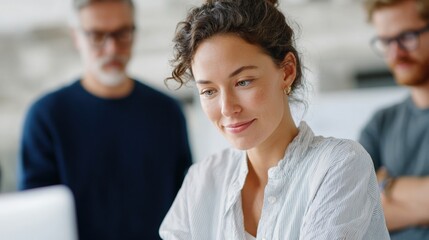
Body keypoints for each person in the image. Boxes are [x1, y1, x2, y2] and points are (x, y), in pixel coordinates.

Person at [159, 0, 390, 239]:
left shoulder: (339, 165)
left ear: (287, 71)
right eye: (209, 91)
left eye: (243, 82)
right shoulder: (201, 181)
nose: (227, 108)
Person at [18, 0, 192, 239]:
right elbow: (35, 218)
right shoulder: (46, 117)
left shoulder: (167, 112)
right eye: (97, 36)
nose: (112, 48)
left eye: (122, 34)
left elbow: (185, 206)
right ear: (76, 37)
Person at [359, 0, 429, 239]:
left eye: (407, 36)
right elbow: (355, 213)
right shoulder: (379, 125)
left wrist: (388, 187)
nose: (396, 53)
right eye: (386, 41)